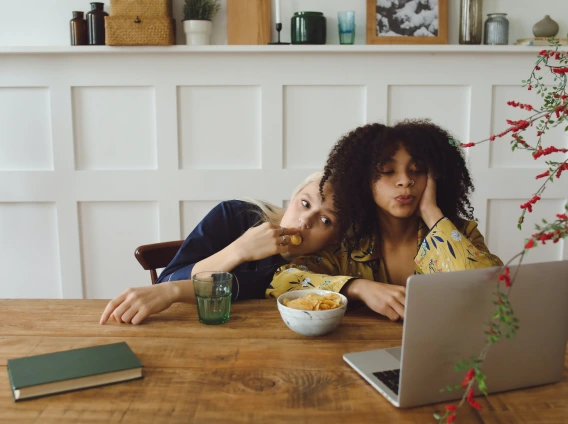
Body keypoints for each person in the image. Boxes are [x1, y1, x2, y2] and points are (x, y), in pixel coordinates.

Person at [267, 120, 503, 321]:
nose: (405, 181)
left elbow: (493, 294)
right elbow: (282, 281)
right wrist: (357, 287)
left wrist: (432, 213)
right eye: (388, 171)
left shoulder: (460, 234)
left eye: (417, 170)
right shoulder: (345, 244)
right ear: (363, 180)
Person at [100, 171, 342, 325]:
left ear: (334, 238)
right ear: (292, 198)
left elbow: (247, 287)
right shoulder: (235, 214)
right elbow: (166, 281)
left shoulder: (320, 271)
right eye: (304, 203)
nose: (305, 220)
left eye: (325, 220)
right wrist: (238, 250)